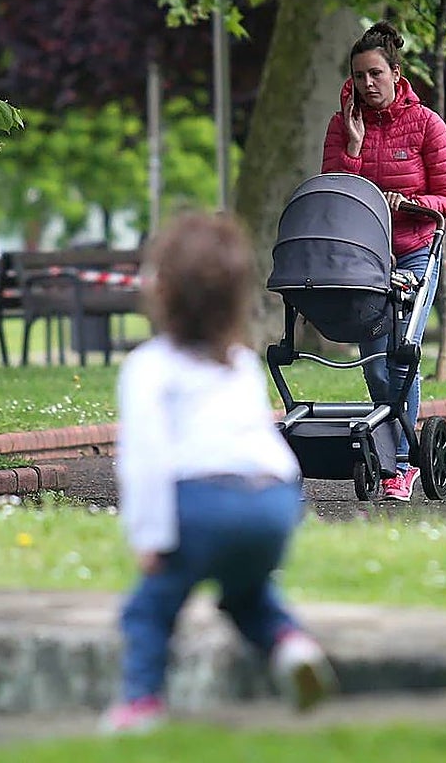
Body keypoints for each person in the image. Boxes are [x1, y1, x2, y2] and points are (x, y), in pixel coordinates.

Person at [101, 211, 336, 733]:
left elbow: (145, 461)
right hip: (273, 502)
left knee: (148, 610)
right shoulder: (241, 364)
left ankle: (140, 705)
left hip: (205, 501)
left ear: (161, 293)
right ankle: (291, 645)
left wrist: (151, 538)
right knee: (246, 594)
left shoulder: (150, 367)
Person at [322, 20, 446, 501]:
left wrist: (411, 202)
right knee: (374, 363)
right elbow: (335, 195)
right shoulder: (343, 126)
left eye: (376, 74)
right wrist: (356, 148)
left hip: (414, 251)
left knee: (401, 355)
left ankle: (402, 463)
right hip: (365, 258)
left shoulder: (426, 125)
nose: (368, 84)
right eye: (360, 76)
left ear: (396, 73)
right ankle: (386, 451)